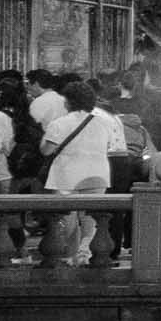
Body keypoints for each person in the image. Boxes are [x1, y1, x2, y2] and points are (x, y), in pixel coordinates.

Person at [40, 78, 122, 265]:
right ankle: (85, 255)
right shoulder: (105, 122)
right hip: (97, 174)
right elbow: (110, 146)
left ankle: (70, 255)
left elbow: (46, 151)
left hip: (66, 175)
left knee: (67, 219)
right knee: (91, 220)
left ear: (68, 101)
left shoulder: (59, 123)